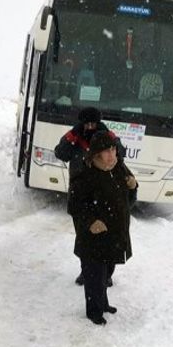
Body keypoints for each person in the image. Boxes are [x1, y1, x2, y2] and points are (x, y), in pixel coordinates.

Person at [67, 131, 137, 325]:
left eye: (113, 149)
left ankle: (103, 303)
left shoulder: (120, 169)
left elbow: (128, 202)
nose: (111, 154)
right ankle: (94, 311)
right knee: (94, 278)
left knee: (106, 274)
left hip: (114, 235)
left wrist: (133, 187)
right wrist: (90, 222)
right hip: (93, 239)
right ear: (96, 153)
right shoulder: (84, 175)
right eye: (106, 151)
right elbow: (74, 206)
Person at [54, 107, 126, 286]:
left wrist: (108, 140)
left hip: (105, 193)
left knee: (108, 237)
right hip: (81, 192)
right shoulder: (76, 136)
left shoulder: (107, 137)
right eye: (87, 124)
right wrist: (72, 135)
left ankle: (106, 273)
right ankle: (86, 271)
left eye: (94, 123)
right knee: (84, 236)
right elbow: (60, 153)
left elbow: (121, 154)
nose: (91, 127)